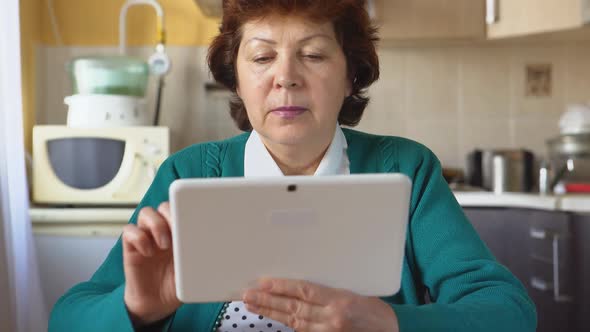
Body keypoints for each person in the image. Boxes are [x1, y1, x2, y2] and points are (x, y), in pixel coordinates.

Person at [49, 1, 537, 331]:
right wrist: (138, 309)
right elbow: (67, 318)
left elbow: (508, 312)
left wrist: (389, 323)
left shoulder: (406, 169)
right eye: (262, 57)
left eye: (313, 54)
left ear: (351, 75)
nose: (286, 78)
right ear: (236, 81)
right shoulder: (188, 174)